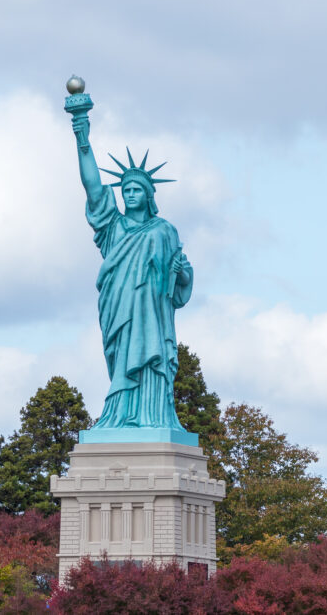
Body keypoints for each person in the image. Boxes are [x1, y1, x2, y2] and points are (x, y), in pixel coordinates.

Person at [72, 115, 192, 431]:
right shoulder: (114, 227)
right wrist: (83, 140)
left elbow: (178, 286)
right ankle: (120, 417)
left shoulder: (165, 231)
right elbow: (94, 187)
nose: (129, 194)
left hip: (152, 314)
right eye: (125, 189)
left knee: (151, 361)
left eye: (136, 189)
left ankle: (154, 418)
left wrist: (182, 275)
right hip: (120, 309)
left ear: (149, 195)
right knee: (123, 359)